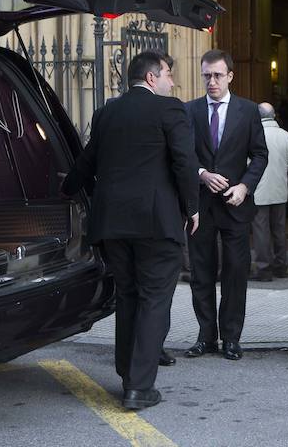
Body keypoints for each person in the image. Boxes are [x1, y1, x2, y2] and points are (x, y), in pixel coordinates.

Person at [61, 51, 200, 411]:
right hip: (157, 222)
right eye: (168, 73)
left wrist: (65, 189)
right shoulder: (170, 109)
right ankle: (139, 386)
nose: (172, 81)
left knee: (128, 295)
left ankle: (126, 372)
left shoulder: (107, 112)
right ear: (152, 78)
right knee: (154, 299)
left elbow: (86, 163)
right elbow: (185, 162)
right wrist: (193, 208)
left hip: (112, 224)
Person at [184, 49, 268, 362]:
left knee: (235, 273)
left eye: (218, 75)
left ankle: (231, 338)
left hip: (236, 205)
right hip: (201, 207)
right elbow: (182, 155)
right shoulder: (189, 111)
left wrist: (245, 186)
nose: (212, 81)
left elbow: (260, 154)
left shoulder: (248, 111)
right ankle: (206, 337)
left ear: (230, 76)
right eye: (206, 75)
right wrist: (202, 174)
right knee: (201, 274)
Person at [251, 102, 288, 281]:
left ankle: (264, 269)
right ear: (274, 115)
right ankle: (281, 266)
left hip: (259, 191)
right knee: (279, 230)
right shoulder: (285, 135)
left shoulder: (254, 134)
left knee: (261, 231)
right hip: (280, 190)